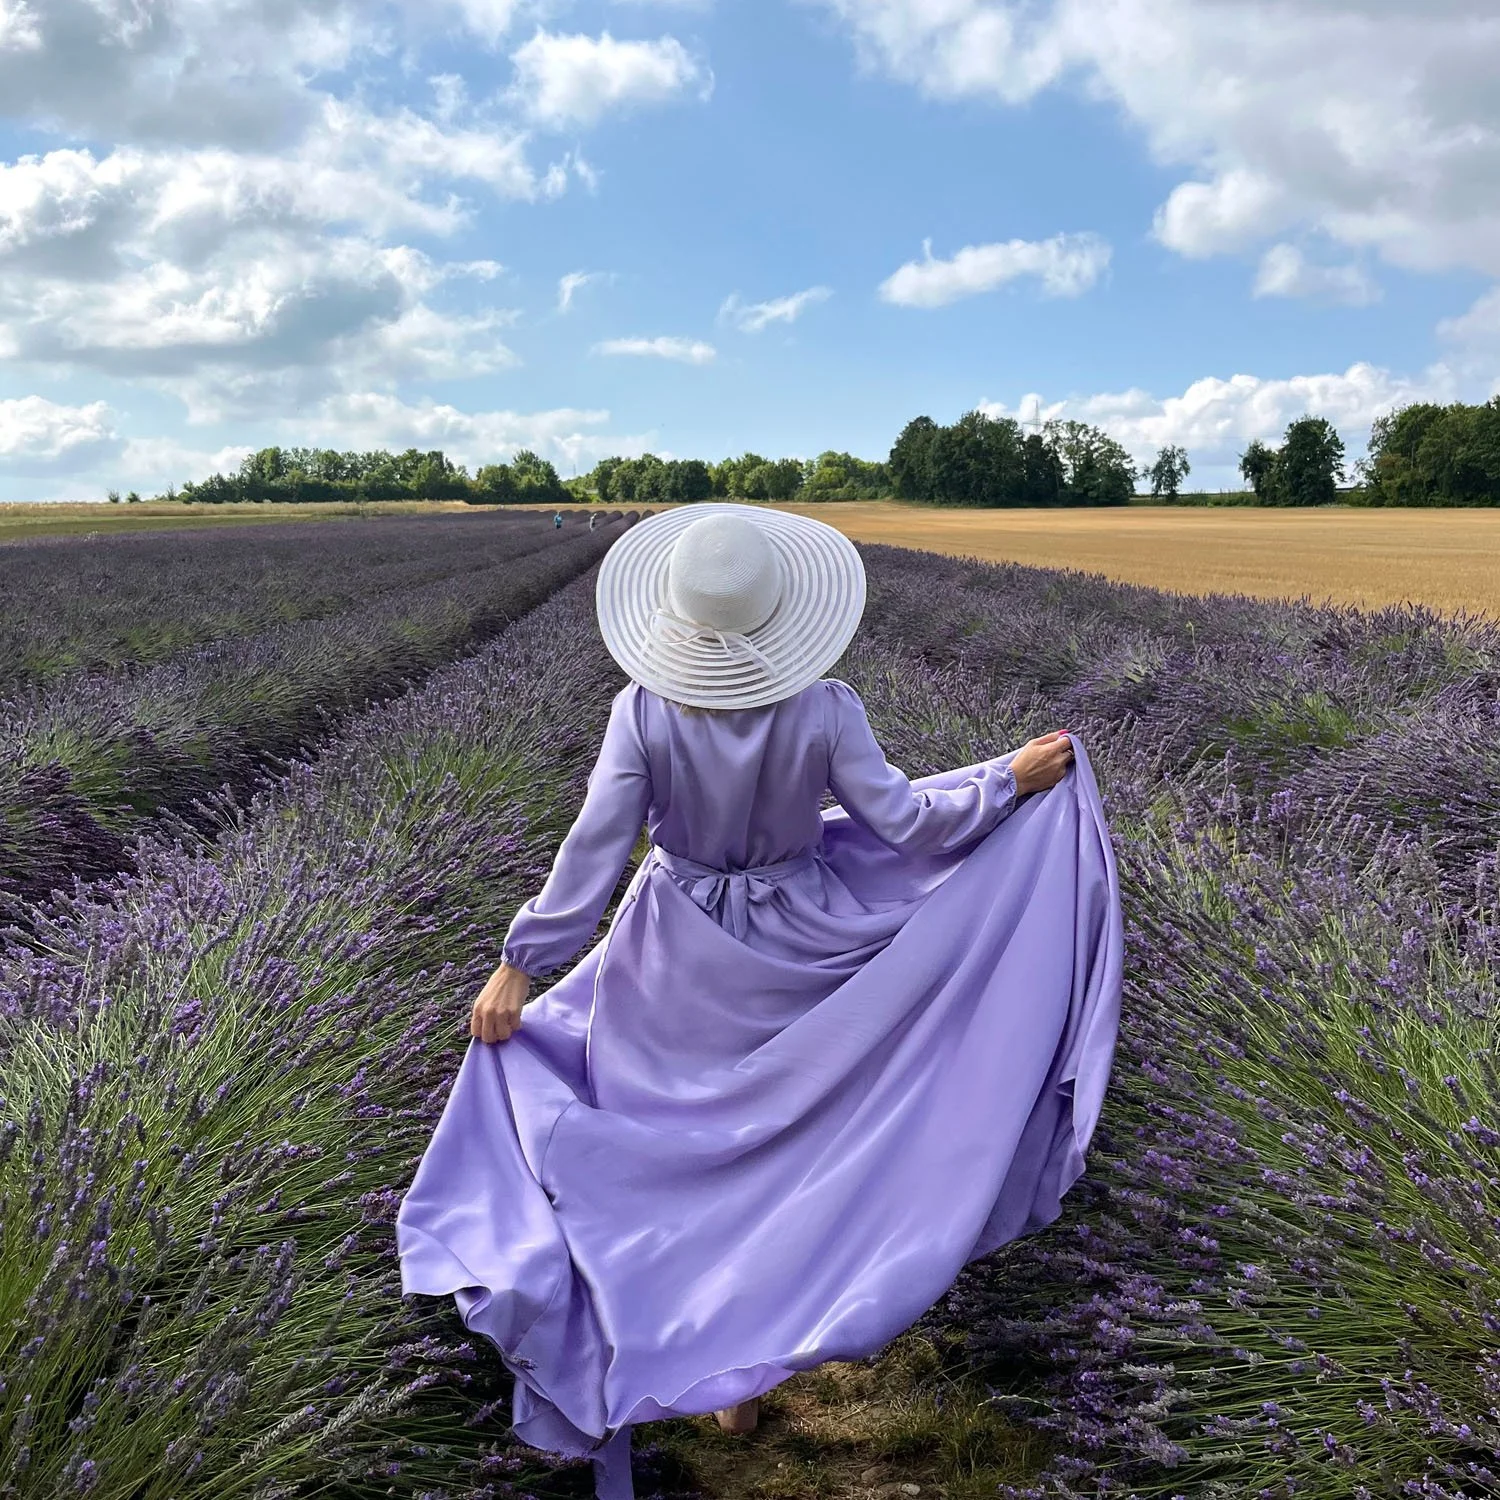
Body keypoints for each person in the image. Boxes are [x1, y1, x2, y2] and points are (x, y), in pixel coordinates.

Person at [396, 504, 1124, 1500]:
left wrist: (521, 964)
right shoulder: (824, 707)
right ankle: (752, 1366)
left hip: (670, 959)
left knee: (677, 1158)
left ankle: (688, 1346)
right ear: (784, 616)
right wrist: (1008, 782)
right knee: (780, 1158)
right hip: (795, 942)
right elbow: (907, 828)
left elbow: (595, 852)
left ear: (678, 618)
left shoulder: (643, 710)